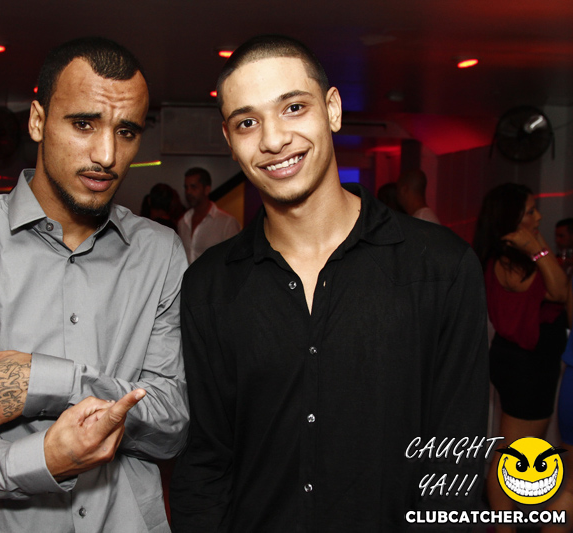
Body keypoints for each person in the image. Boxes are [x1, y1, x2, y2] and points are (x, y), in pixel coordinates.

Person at [169, 34, 489, 532]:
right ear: (229, 141)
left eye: (293, 107)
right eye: (248, 122)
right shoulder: (209, 286)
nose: (274, 139)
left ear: (333, 110)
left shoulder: (440, 267)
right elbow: (206, 461)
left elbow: (456, 464)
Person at [0, 37, 189, 533]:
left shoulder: (160, 253)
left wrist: (50, 384)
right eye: (83, 124)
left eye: (126, 131)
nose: (107, 154)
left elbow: (172, 425)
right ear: (37, 121)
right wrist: (42, 460)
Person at [472, 183, 568, 532]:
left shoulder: (515, 254)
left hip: (527, 363)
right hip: (525, 365)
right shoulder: (510, 259)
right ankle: (502, 527)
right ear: (510, 218)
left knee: (518, 450)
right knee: (514, 452)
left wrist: (537, 248)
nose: (538, 216)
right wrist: (540, 250)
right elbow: (559, 290)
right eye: (530, 211)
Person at [177, 167, 241, 263]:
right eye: (186, 187)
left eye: (193, 187)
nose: (188, 192)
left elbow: (235, 259)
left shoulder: (227, 223)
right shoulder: (183, 222)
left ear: (207, 189)